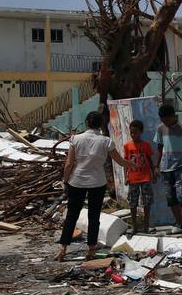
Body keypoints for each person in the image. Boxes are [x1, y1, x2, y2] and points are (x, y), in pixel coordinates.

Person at [55, 111, 134, 262]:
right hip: (97, 182)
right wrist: (131, 164)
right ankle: (91, 248)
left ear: (86, 123)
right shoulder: (106, 141)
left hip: (76, 181)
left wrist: (65, 181)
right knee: (94, 216)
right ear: (101, 124)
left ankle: (62, 248)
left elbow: (69, 164)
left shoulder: (76, 139)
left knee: (72, 215)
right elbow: (120, 161)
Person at [155, 103, 182, 240]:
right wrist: (156, 166)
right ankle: (180, 224)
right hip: (165, 168)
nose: (165, 122)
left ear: (173, 116)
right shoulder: (160, 129)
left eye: (167, 119)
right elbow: (160, 148)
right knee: (171, 198)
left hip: (180, 166)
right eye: (163, 120)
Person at [123, 119, 155, 235]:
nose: (133, 135)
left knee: (147, 202)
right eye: (131, 132)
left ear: (141, 132)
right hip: (133, 179)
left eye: (135, 132)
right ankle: (135, 226)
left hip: (145, 178)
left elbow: (150, 161)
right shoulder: (127, 146)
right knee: (133, 203)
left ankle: (146, 226)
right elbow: (125, 162)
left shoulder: (146, 145)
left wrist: (153, 173)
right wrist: (126, 176)